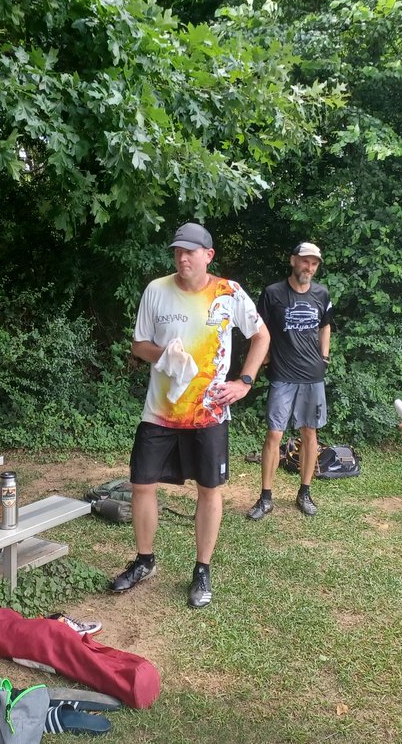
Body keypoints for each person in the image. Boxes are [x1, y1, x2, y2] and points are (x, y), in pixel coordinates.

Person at [110, 222, 270, 608]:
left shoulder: (228, 294)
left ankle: (202, 569)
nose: (182, 258)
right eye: (177, 251)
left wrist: (245, 381)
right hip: (160, 411)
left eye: (190, 252)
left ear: (208, 256)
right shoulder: (156, 290)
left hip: (210, 412)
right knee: (143, 483)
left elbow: (261, 336)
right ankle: (144, 560)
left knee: (208, 490)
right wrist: (164, 354)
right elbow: (138, 344)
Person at [247, 242, 334, 520]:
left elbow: (326, 325)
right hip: (283, 375)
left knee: (310, 434)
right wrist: (264, 356)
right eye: (305, 261)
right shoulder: (273, 293)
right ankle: (266, 497)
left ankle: (304, 492)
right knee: (275, 434)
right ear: (293, 260)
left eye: (314, 264)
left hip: (312, 376)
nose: (309, 268)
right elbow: (259, 329)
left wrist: (325, 357)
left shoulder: (322, 293)